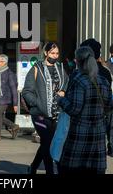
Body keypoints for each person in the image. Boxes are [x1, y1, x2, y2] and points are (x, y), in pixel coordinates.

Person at [57, 46, 113, 174]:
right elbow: (109, 107)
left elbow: (74, 109)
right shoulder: (104, 81)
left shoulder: (79, 81)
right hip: (98, 138)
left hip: (79, 137)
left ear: (78, 61)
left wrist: (61, 100)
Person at [22, 42, 69, 174]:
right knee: (48, 142)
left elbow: (67, 83)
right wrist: (37, 103)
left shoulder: (60, 68)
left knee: (47, 143)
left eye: (57, 53)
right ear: (46, 53)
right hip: (39, 114)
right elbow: (27, 91)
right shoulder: (37, 68)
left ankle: (33, 167)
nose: (55, 56)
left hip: (56, 113)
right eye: (52, 53)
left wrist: (64, 91)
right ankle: (49, 171)